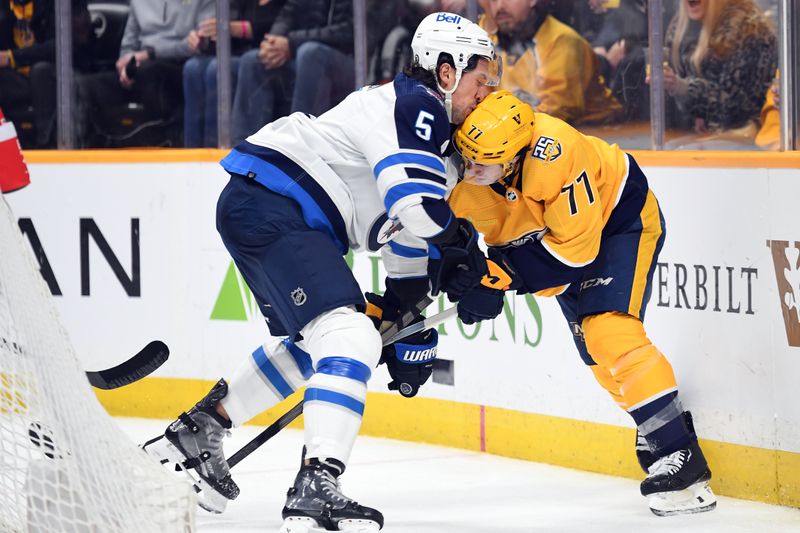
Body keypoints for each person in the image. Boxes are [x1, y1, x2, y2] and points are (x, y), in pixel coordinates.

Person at [144, 12, 501, 531]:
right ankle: (316, 486)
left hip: (267, 205)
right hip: (276, 204)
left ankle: (200, 431)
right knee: (349, 333)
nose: (485, 90)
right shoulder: (416, 104)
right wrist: (462, 248)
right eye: (479, 76)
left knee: (330, 338)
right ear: (445, 71)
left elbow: (403, 237)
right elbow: (420, 210)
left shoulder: (432, 140)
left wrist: (407, 319)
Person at [448, 90, 717, 517]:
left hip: (618, 222)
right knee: (597, 357)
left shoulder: (558, 154)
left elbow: (573, 256)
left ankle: (680, 455)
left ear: (515, 158)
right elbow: (447, 243)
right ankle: (660, 433)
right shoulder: (466, 170)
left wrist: (500, 277)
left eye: (484, 161)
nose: (470, 169)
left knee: (607, 329)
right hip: (554, 241)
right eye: (467, 156)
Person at [78, 0, 215, 147]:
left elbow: (200, 45)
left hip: (181, 65)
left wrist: (151, 54)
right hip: (140, 66)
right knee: (86, 86)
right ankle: (93, 150)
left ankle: (165, 145)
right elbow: (128, 46)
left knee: (151, 74)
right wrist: (126, 65)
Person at [648, 0, 776, 144]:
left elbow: (736, 107)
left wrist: (682, 88)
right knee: (667, 149)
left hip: (753, 135)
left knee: (674, 150)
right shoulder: (680, 28)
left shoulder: (749, 30)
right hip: (714, 134)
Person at [480, 0, 622, 125]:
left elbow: (557, 111)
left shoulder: (563, 42)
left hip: (602, 133)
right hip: (525, 129)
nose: (499, 6)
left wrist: (499, 126)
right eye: (493, 0)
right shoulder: (490, 39)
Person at [182, 0, 285, 147]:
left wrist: (234, 28)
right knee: (193, 68)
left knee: (216, 69)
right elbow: (227, 31)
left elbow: (281, 26)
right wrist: (204, 37)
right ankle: (191, 150)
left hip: (268, 53)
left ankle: (216, 149)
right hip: (238, 52)